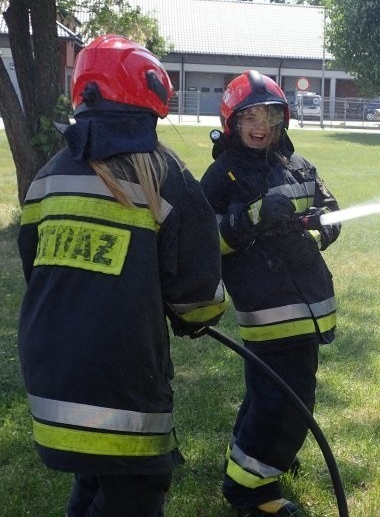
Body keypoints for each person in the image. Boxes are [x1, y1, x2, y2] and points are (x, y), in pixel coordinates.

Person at [16, 34, 227, 516]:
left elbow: (36, 264)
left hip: (52, 374)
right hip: (122, 377)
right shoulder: (162, 172)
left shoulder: (49, 174)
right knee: (136, 488)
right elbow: (198, 291)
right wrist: (199, 317)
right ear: (150, 94)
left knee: (96, 473)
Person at [201, 70, 341, 517]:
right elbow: (206, 242)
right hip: (270, 312)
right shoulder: (222, 175)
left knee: (272, 397)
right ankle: (252, 494)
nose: (261, 124)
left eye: (271, 115)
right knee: (283, 400)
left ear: (284, 120)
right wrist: (254, 214)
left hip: (308, 306)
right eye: (250, 116)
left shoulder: (295, 165)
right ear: (232, 120)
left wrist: (330, 216)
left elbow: (322, 198)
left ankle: (263, 461)